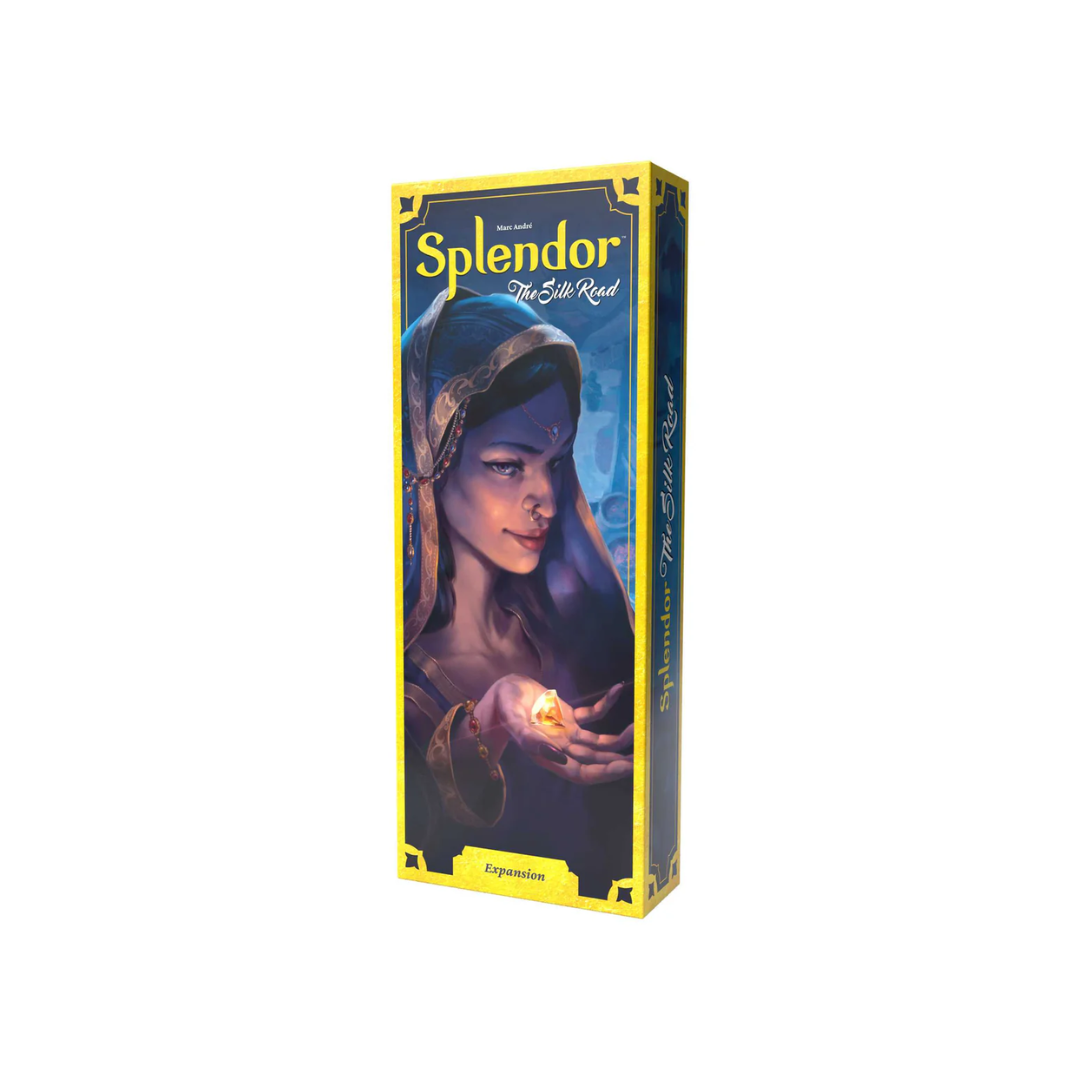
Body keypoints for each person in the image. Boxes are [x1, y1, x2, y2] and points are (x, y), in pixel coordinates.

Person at [401, 287, 635, 898]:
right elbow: (425, 834)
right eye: (508, 465)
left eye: (556, 463)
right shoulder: (402, 678)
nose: (547, 502)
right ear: (430, 462)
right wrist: (494, 712)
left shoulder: (566, 623)